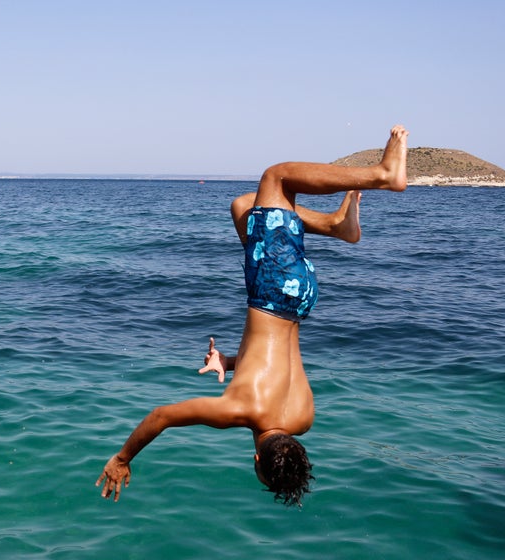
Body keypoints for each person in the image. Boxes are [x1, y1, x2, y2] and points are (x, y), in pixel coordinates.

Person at [96, 125, 409, 506]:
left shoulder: (303, 418)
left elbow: (272, 361)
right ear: (256, 458)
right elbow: (161, 416)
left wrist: (228, 361)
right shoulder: (239, 409)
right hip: (274, 291)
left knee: (245, 207)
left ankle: (334, 226)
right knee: (275, 177)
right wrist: (122, 458)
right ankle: (381, 175)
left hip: (301, 300)